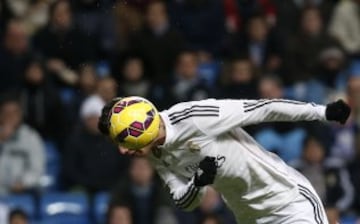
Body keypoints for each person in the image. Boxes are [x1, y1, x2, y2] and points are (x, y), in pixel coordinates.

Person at [98, 96, 351, 224]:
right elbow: (184, 201)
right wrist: (198, 182)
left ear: (142, 132)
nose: (123, 152)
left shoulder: (195, 118)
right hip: (248, 217)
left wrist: (321, 112)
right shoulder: (155, 153)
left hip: (287, 202)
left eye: (123, 144)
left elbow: (262, 109)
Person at [0, 93, 45, 195]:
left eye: (14, 113)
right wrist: (1, 141)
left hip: (22, 192)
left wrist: (23, 183)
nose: (10, 117)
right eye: (6, 113)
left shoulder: (31, 137)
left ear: (20, 114)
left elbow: (37, 169)